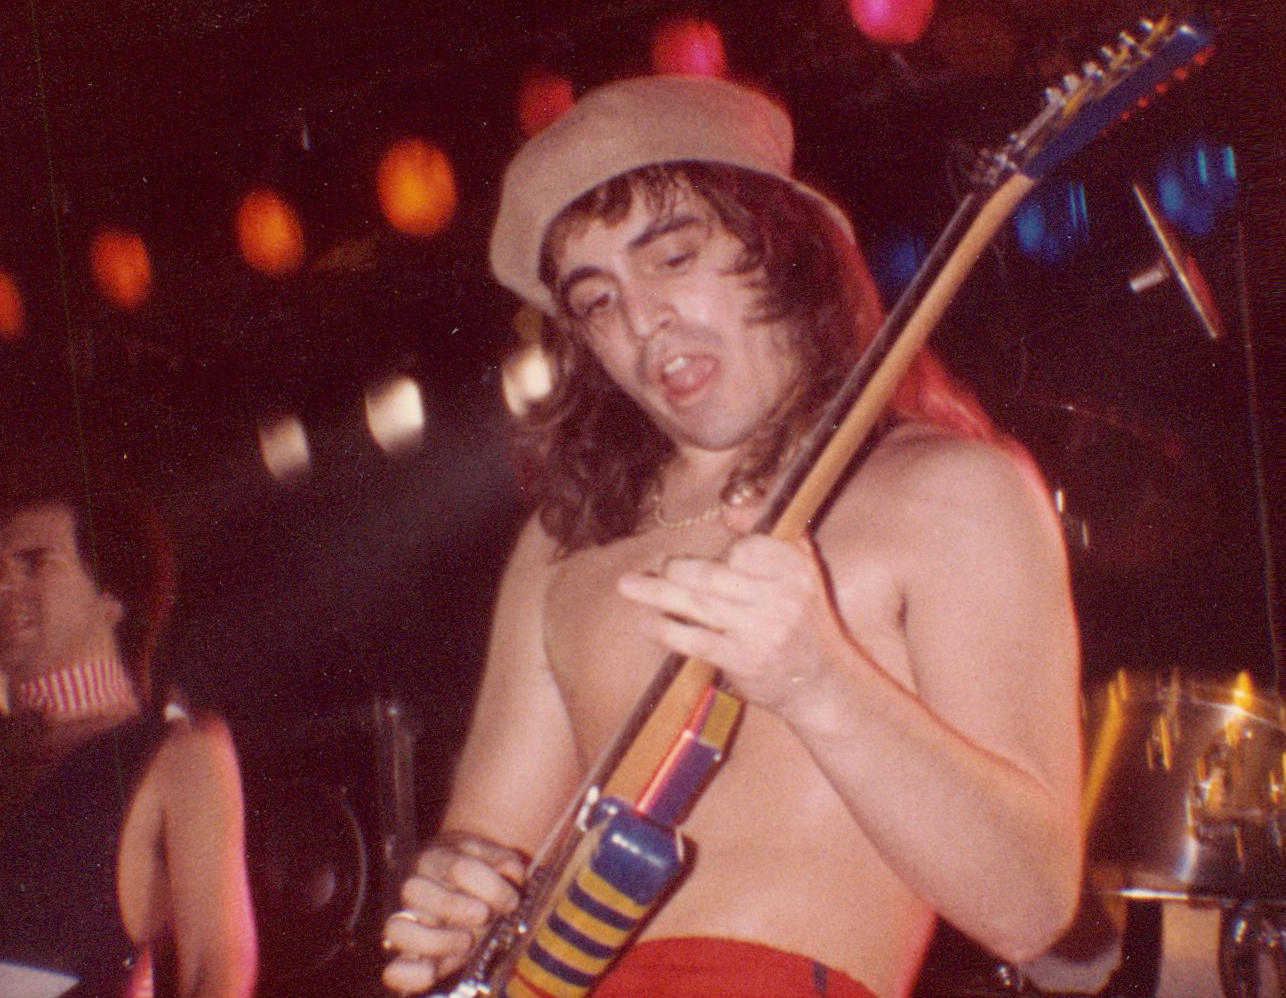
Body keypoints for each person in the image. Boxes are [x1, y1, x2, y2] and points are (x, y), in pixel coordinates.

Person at [383, 74, 1083, 998]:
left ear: (784, 252)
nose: (641, 320)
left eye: (672, 257)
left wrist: (816, 681)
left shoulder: (952, 490)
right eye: (595, 299)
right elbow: (487, 856)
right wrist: (451, 897)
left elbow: (1030, 904)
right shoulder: (561, 551)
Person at [0, 479, 257, 998]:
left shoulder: (178, 753)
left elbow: (217, 968)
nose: (4, 589)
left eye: (32, 564)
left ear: (112, 595)